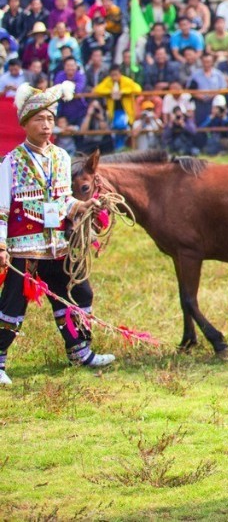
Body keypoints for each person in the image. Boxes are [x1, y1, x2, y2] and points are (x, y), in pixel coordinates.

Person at [0, 82, 115, 385]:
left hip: (57, 245)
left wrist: (86, 205)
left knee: (79, 293)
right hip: (24, 247)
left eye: (50, 118)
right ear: (26, 123)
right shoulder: (12, 162)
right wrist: (1, 246)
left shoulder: (62, 158)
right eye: (40, 119)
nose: (46, 124)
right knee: (12, 304)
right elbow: (1, 208)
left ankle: (80, 350)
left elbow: (65, 202)